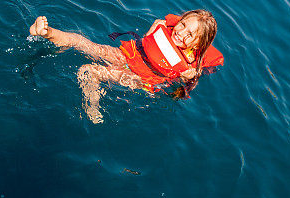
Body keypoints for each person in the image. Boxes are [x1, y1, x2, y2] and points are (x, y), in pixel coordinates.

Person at [29, 10, 222, 123]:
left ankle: (93, 108)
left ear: (196, 45)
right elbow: (146, 44)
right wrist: (152, 31)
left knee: (88, 71)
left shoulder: (190, 67)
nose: (181, 33)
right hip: (130, 55)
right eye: (182, 25)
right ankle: (46, 32)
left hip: (144, 78)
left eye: (190, 35)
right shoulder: (163, 28)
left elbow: (182, 85)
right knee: (82, 42)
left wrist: (188, 77)